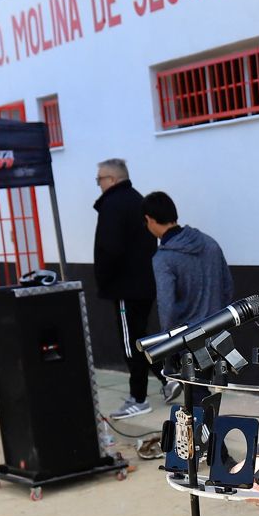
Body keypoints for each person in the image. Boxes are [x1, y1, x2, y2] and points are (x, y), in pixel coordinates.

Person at [90, 159, 156, 417]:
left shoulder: (113, 205)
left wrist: (105, 280)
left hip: (125, 287)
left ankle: (138, 398)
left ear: (113, 179)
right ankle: (168, 380)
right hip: (143, 283)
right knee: (143, 337)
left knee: (131, 342)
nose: (99, 184)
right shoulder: (136, 199)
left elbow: (110, 248)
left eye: (100, 180)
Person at [145, 191, 234, 332]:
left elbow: (167, 306)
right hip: (218, 334)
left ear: (149, 219)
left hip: (186, 340)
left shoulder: (163, 258)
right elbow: (228, 289)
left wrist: (168, 341)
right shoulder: (210, 243)